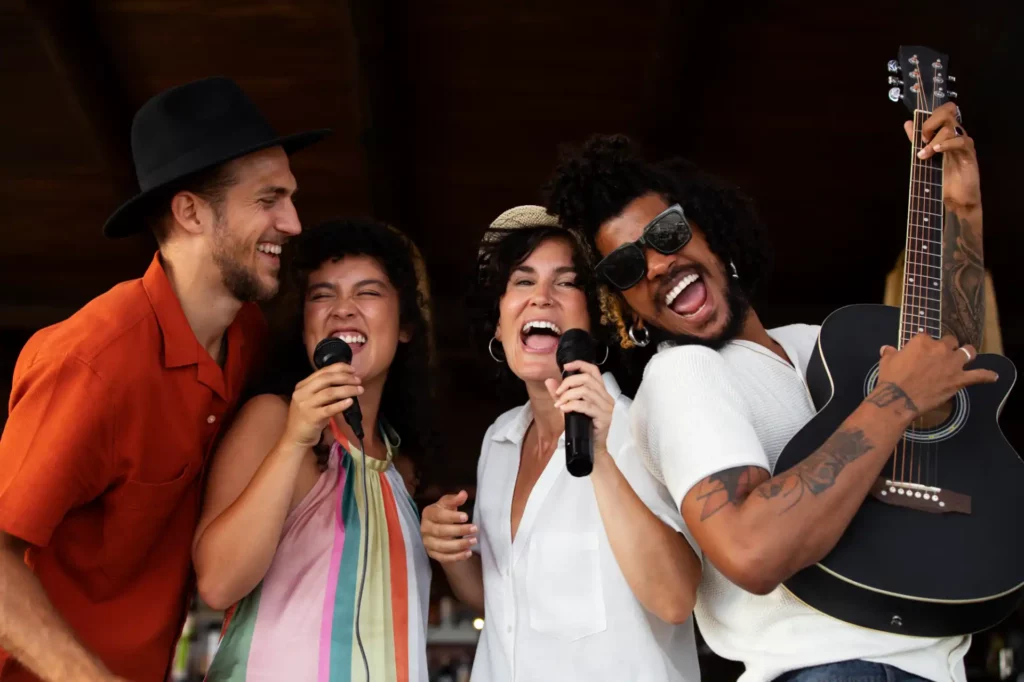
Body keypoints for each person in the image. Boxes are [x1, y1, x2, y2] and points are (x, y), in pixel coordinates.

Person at [542, 102, 995, 682]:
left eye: (668, 232)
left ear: (712, 232)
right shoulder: (685, 373)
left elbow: (949, 374)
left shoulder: (820, 344)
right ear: (625, 307)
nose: (656, 264)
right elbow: (752, 552)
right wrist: (893, 401)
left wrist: (962, 210)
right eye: (627, 267)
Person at [0, 77, 328, 682]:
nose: (294, 222)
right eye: (269, 199)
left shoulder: (248, 338)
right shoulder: (92, 362)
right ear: (190, 211)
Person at [420, 205, 702, 682]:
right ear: (497, 323)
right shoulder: (500, 439)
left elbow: (676, 601)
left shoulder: (643, 425)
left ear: (596, 318)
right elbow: (502, 602)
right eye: (522, 281)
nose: (541, 298)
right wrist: (449, 552)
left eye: (566, 282)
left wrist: (603, 457)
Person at [193, 219, 436, 682]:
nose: (342, 309)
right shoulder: (273, 420)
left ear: (405, 326)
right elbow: (217, 583)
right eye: (322, 295)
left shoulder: (400, 465)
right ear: (303, 325)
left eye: (367, 293)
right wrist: (293, 442)